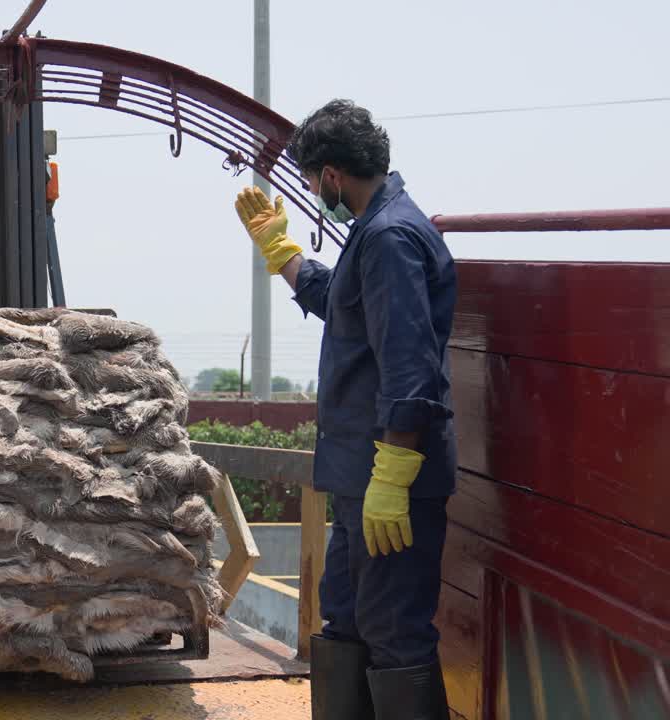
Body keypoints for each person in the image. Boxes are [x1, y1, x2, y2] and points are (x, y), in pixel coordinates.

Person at [234, 99, 456, 720]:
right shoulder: (373, 233)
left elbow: (410, 366)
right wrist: (281, 253)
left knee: (394, 631)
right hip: (362, 476)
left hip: (391, 477)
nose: (311, 192)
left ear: (331, 175)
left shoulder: (390, 238)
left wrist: (392, 473)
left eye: (310, 180)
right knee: (347, 618)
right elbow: (343, 301)